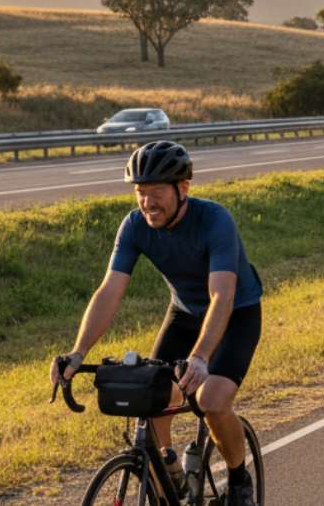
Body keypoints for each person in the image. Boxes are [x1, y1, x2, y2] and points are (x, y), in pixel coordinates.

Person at [50, 141, 263, 506]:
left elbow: (222, 297)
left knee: (210, 399)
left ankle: (240, 480)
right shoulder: (135, 226)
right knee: (150, 395)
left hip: (235, 314)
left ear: (183, 188)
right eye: (140, 192)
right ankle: (170, 473)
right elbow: (109, 291)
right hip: (184, 314)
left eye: (157, 192)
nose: (147, 202)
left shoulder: (215, 220)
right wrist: (78, 351)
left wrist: (200, 358)